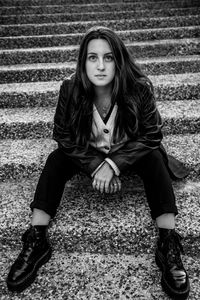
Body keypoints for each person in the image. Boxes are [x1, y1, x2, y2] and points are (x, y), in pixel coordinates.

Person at [6, 26, 190, 298]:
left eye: (109, 57)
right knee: (56, 158)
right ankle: (36, 238)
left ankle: (168, 243)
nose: (101, 66)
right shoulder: (70, 88)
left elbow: (152, 134)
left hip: (131, 153)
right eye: (93, 57)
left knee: (153, 158)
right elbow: (63, 135)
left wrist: (114, 164)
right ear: (83, 62)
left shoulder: (139, 88)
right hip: (86, 153)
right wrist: (96, 166)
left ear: (119, 60)